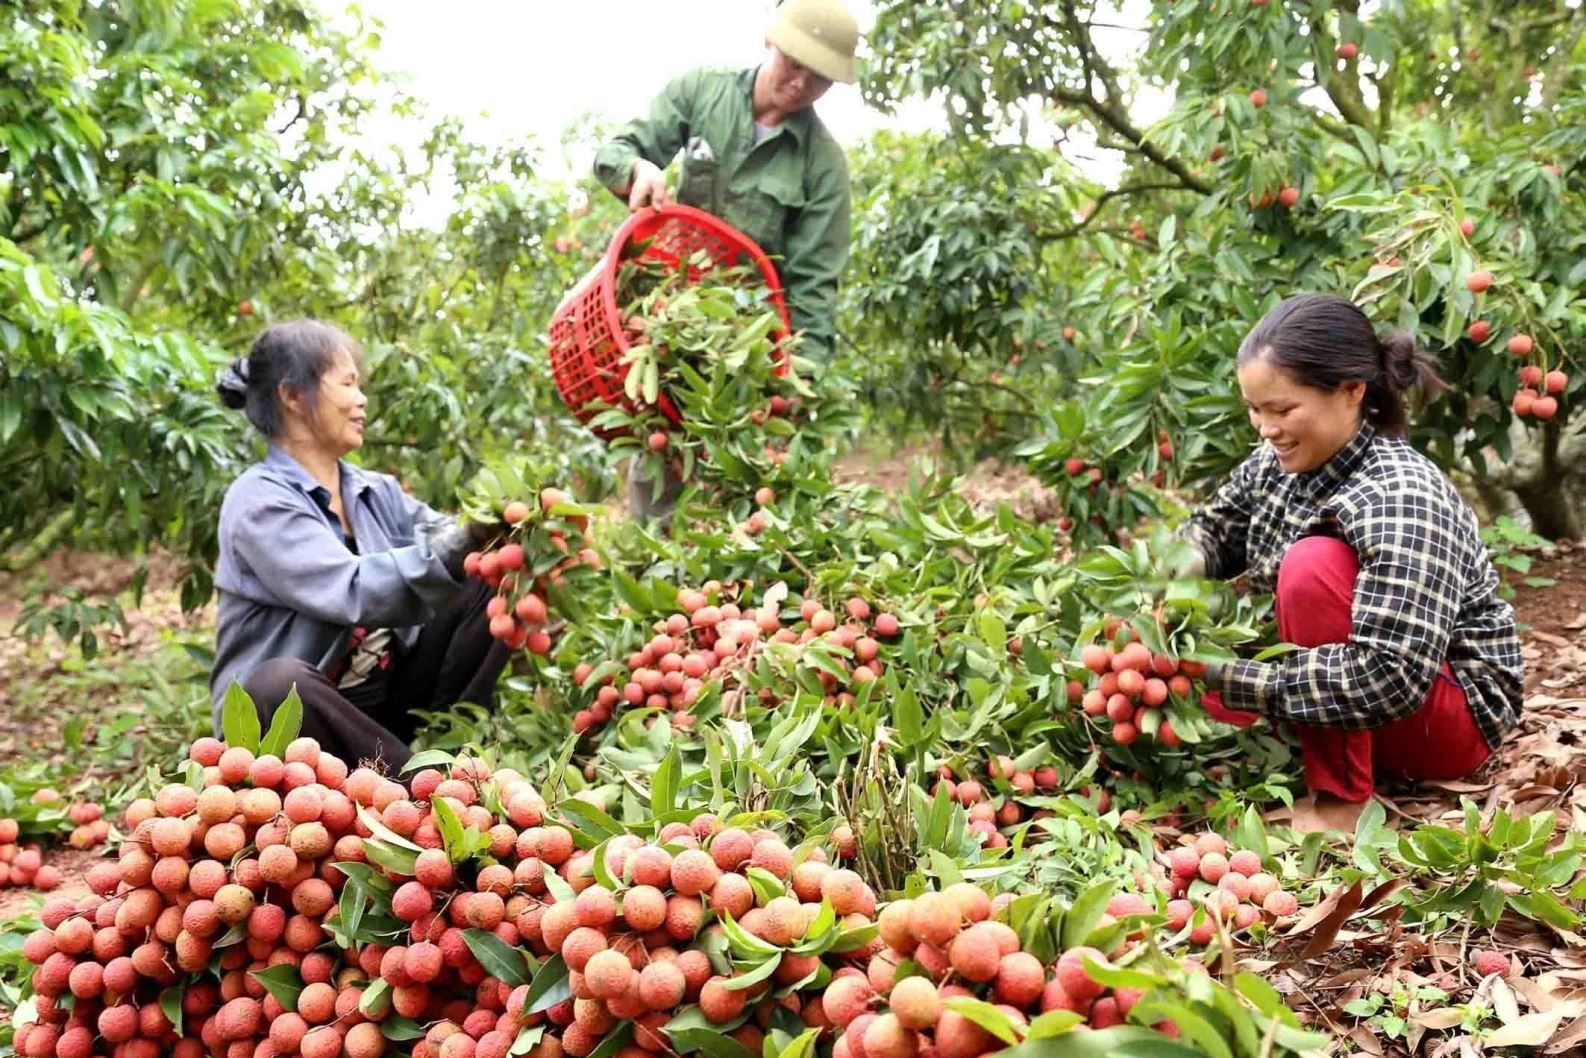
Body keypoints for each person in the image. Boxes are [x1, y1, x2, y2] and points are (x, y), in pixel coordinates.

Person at [1178, 293, 1524, 833]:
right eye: (1255, 409)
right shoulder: (1276, 461)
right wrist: (1176, 568)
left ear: (1351, 391)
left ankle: (1341, 800)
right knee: (1173, 689)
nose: (1266, 428)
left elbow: (1392, 677)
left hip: (1446, 714)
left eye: (1283, 409)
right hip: (1353, 695)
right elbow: (1220, 526)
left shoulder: (1402, 495)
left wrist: (1235, 679)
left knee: (1311, 566)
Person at [592, 0, 859, 523]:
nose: (802, 83)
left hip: (745, 353)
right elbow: (617, 150)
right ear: (770, 43)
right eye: (795, 62)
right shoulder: (701, 92)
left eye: (820, 77)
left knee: (734, 503)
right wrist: (638, 170)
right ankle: (650, 581)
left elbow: (813, 287)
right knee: (658, 477)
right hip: (663, 326)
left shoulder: (823, 166)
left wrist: (799, 383)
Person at [211, 320, 507, 772]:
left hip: (378, 703)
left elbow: (446, 539)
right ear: (293, 396)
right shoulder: (257, 502)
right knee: (275, 684)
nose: (361, 399)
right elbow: (351, 589)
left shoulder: (374, 489)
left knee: (483, 577)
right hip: (298, 722)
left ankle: (445, 745)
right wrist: (463, 540)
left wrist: (507, 530)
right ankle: (420, 784)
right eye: (348, 384)